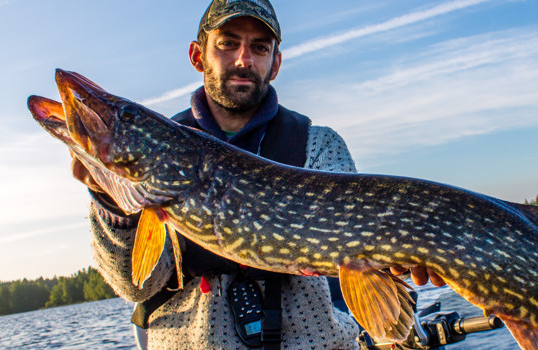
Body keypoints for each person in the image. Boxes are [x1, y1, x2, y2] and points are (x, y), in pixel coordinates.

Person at [71, 1, 443, 349]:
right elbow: (137, 285)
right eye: (228, 44)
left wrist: (404, 253)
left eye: (259, 48)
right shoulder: (166, 156)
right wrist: (111, 204)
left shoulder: (318, 145)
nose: (244, 59)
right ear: (198, 56)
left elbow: (360, 254)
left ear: (275, 63)